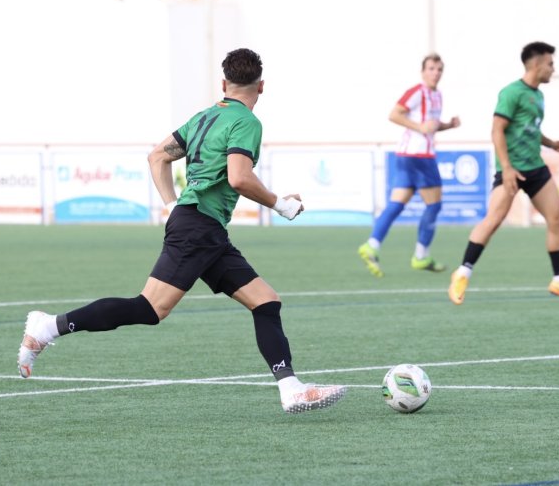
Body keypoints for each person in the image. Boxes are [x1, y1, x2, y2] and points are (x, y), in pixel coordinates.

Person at [17, 48, 346, 414]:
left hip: (206, 230)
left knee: (266, 301)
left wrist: (173, 205)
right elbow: (239, 177)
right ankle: (48, 326)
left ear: (224, 84)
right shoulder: (248, 122)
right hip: (198, 229)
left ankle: (291, 389)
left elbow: (157, 156)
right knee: (149, 308)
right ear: (262, 86)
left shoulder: (204, 117)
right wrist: (280, 204)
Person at [447, 42, 559, 305]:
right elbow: (497, 130)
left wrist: (553, 144)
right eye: (550, 64)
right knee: (494, 219)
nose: (553, 69)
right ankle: (462, 273)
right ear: (536, 64)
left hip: (536, 168)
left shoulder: (538, 96)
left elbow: (530, 129)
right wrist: (507, 168)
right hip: (512, 169)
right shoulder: (511, 93)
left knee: (556, 218)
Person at [358, 53, 461, 277]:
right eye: (432, 68)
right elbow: (394, 114)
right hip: (420, 157)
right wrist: (419, 127)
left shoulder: (437, 95)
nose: (436, 72)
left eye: (439, 69)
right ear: (423, 71)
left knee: (397, 204)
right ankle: (421, 256)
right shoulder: (417, 92)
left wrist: (447, 126)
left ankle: (371, 246)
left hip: (407, 157)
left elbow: (429, 126)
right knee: (434, 206)